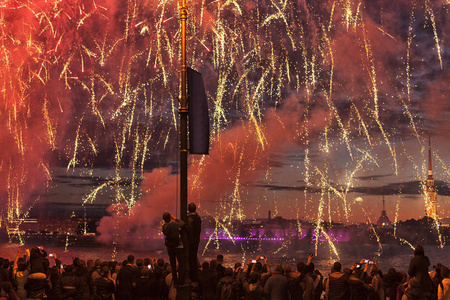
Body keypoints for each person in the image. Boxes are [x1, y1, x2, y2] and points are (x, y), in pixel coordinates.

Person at [162, 212, 185, 285]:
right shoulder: (174, 224)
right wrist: (175, 218)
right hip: (178, 246)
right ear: (170, 218)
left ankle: (175, 280)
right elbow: (182, 223)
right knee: (181, 263)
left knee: (173, 264)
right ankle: (181, 280)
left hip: (169, 247)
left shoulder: (164, 227)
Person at [186, 202, 202, 282]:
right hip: (197, 239)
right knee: (194, 255)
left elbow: (188, 228)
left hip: (191, 241)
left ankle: (192, 276)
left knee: (191, 257)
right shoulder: (198, 217)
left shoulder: (190, 218)